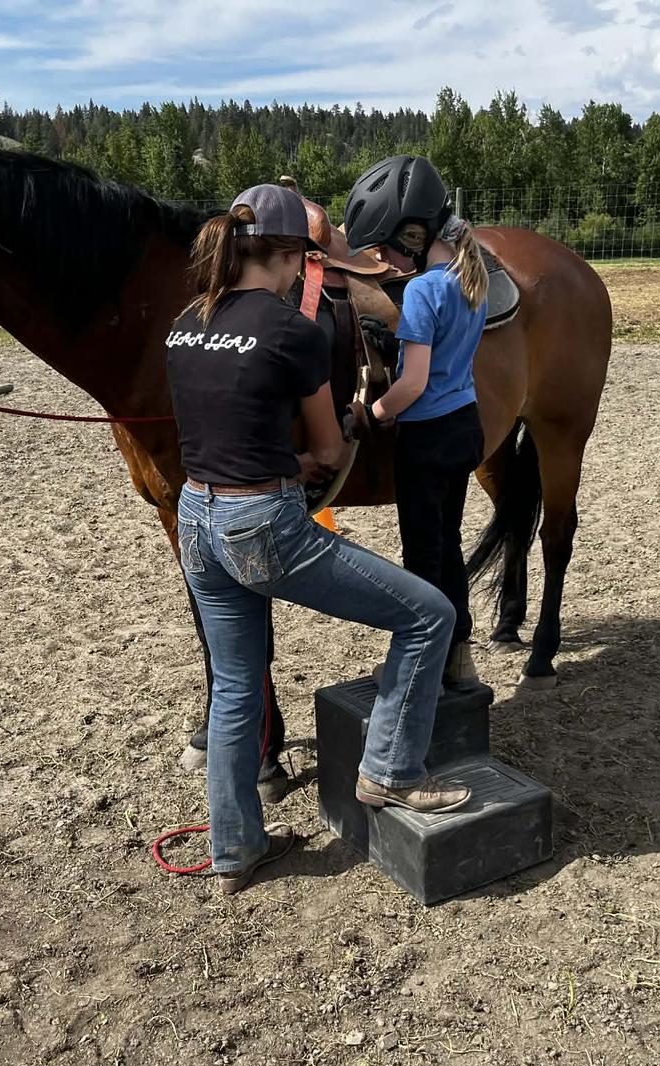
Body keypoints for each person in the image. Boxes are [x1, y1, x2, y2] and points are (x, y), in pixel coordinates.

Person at [167, 183, 471, 895]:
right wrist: (307, 457)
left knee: (236, 687)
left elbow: (221, 422)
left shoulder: (186, 322)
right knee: (428, 615)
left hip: (196, 519)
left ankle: (234, 851)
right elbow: (331, 451)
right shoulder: (292, 331)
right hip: (262, 523)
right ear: (293, 257)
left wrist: (283, 458)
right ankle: (390, 771)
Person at [342, 155, 491, 691]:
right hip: (465, 426)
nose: (381, 259)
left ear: (413, 233)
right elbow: (445, 354)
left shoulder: (425, 289)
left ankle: (417, 668)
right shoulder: (469, 280)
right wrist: (397, 345)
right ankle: (460, 657)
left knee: (422, 559)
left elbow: (413, 385)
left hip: (426, 441)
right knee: (447, 543)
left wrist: (369, 415)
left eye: (384, 248)